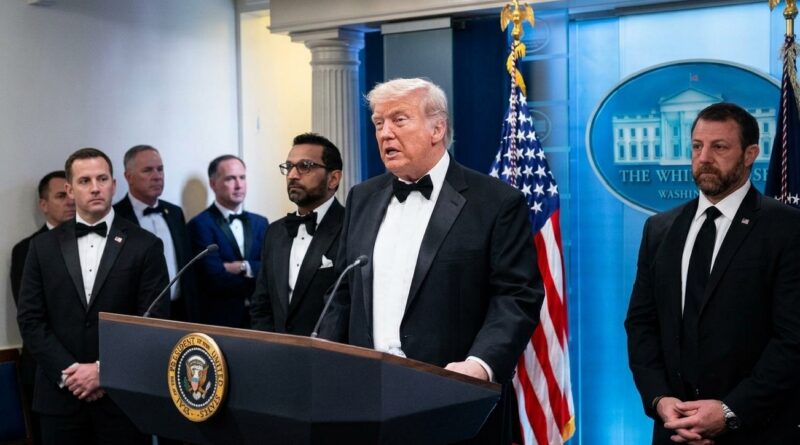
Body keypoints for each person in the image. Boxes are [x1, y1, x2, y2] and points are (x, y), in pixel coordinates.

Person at [318, 78, 544, 444]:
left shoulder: (496, 202)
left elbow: (516, 296)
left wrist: (480, 364)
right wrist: (323, 361)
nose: (385, 133)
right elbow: (343, 292)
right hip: (365, 401)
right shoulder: (362, 197)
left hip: (454, 401)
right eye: (378, 123)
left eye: (399, 120)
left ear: (437, 128)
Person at [625, 102, 800, 445]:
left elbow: (793, 340)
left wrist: (730, 411)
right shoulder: (659, 230)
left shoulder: (787, 228)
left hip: (759, 430)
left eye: (719, 147)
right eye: (696, 146)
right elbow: (641, 325)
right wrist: (660, 400)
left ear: (750, 154)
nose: (704, 157)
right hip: (674, 431)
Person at [16, 148, 169, 445]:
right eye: (85, 181)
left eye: (102, 178)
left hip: (123, 401)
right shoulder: (42, 247)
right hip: (60, 399)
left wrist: (103, 371)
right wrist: (71, 374)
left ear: (114, 183)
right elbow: (31, 319)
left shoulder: (146, 245)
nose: (95, 187)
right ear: (70, 190)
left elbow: (152, 321)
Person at [250, 133, 344, 335]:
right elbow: (261, 303)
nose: (292, 175)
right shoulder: (274, 232)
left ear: (333, 178)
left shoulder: (351, 227)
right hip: (277, 357)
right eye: (289, 167)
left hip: (330, 357)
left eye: (305, 166)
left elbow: (350, 304)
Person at [10, 170, 75, 445]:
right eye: (61, 196)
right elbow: (31, 317)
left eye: (71, 194)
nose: (70, 201)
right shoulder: (27, 249)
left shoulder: (100, 243)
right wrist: (68, 368)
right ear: (43, 204)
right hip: (47, 371)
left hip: (92, 372)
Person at [114, 145, 196, 321]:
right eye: (147, 170)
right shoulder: (115, 217)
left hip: (180, 313)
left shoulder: (175, 213)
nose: (157, 176)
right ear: (129, 177)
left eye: (160, 169)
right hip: (138, 316)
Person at [187, 155, 268, 328]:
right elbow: (213, 277)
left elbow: (270, 269)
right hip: (220, 320)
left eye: (242, 177)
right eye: (230, 178)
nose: (239, 185)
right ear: (213, 184)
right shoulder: (199, 224)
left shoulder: (261, 222)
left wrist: (241, 267)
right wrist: (255, 274)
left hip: (260, 318)